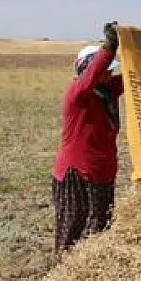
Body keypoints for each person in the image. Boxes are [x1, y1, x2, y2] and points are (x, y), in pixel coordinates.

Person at [52, 23, 125, 253]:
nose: (110, 73)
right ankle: (64, 278)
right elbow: (91, 76)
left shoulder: (107, 92)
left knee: (99, 230)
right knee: (74, 229)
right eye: (107, 69)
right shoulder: (78, 94)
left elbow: (136, 76)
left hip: (102, 174)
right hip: (77, 174)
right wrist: (110, 47)